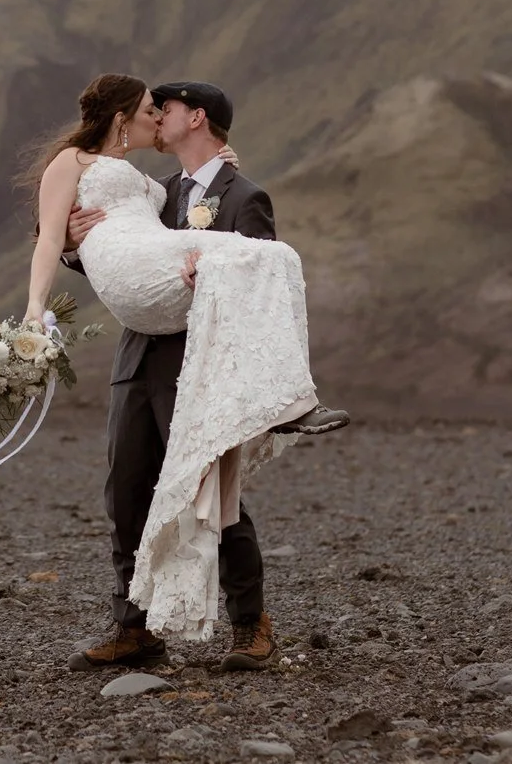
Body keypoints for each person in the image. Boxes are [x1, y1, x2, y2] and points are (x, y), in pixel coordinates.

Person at [22, 74, 343, 670]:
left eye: (165, 108)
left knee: (210, 493)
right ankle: (133, 628)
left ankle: (251, 625)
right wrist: (69, 244)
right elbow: (124, 262)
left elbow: (254, 283)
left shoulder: (245, 197)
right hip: (136, 357)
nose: (157, 116)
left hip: (198, 365)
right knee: (125, 492)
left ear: (196, 117)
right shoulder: (154, 190)